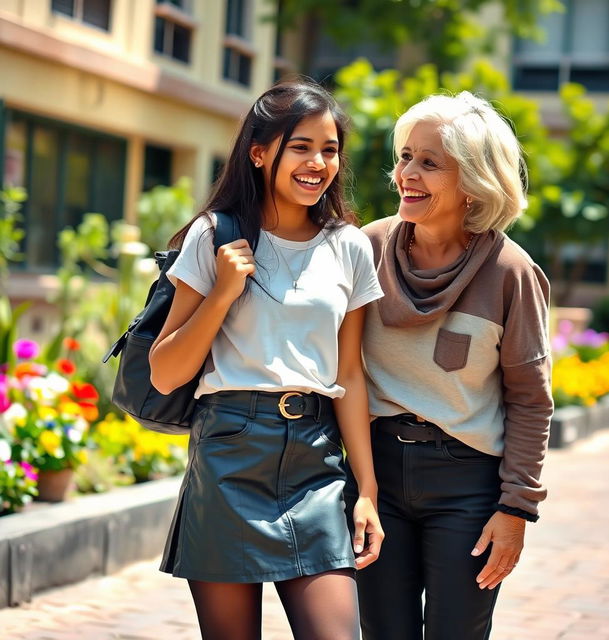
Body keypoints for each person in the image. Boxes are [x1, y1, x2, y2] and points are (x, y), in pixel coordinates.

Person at [149, 80, 384, 640]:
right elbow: (165, 370)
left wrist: (367, 492)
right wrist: (223, 293)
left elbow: (349, 374)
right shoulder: (215, 236)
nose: (318, 163)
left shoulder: (349, 245)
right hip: (230, 454)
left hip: (316, 462)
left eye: (329, 150)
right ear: (258, 153)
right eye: (300, 146)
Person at [345, 91, 553, 640]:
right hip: (377, 479)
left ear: (475, 182)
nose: (407, 174)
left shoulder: (512, 273)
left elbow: (531, 399)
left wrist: (517, 510)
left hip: (468, 487)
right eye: (406, 156)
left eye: (430, 163)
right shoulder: (365, 249)